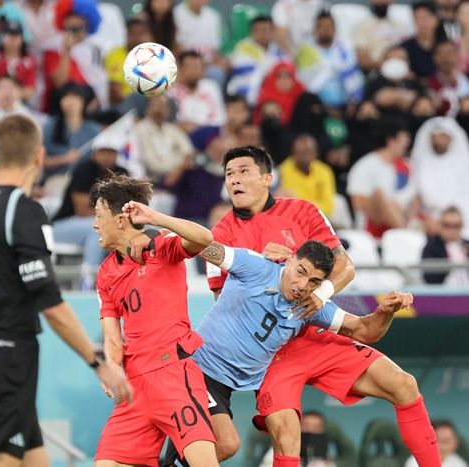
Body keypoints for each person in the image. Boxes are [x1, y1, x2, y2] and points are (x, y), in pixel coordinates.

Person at [131, 145, 439, 467]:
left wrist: (324, 295)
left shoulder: (304, 213)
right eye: (229, 174)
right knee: (283, 431)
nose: (234, 180)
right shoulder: (229, 237)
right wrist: (155, 231)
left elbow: (345, 269)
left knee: (403, 384)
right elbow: (225, 299)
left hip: (308, 325)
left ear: (267, 178)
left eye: (243, 171)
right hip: (268, 351)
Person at [0, 114, 132, 467]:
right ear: (39, 156)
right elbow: (50, 305)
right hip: (8, 359)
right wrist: (98, 363)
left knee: (36, 459)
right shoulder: (23, 212)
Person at [91, 174, 218, 467]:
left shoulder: (162, 246)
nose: (95, 224)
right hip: (134, 387)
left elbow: (204, 239)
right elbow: (112, 337)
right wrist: (112, 365)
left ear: (120, 219)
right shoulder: (106, 273)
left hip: (173, 374)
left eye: (99, 215)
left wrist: (155, 218)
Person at [52, 133, 128, 288]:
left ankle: (128, 277)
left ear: (117, 154)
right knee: (96, 228)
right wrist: (113, 217)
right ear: (95, 153)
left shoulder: (122, 173)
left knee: (132, 228)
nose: (106, 156)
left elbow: (128, 206)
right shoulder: (84, 170)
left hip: (101, 222)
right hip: (64, 225)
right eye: (103, 151)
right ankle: (88, 281)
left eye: (111, 152)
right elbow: (81, 210)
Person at [347, 117, 417, 237]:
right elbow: (358, 204)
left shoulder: (405, 166)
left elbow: (413, 197)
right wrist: (389, 205)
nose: (407, 143)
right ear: (391, 141)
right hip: (371, 222)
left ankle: (405, 230)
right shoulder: (365, 166)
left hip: (400, 216)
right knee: (379, 194)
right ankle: (405, 232)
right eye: (403, 139)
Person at [295, 11, 364, 113]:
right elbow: (306, 84)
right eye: (322, 27)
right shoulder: (306, 52)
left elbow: (355, 81)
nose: (326, 30)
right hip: (317, 106)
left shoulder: (345, 52)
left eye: (329, 26)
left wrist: (354, 101)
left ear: (335, 29)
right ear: (315, 30)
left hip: (345, 106)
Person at [410, 117, 469, 234]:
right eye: (436, 137)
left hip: (462, 217)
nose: (440, 141)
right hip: (429, 219)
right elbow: (414, 197)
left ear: (451, 139)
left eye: (444, 136)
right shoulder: (419, 164)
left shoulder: (463, 163)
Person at [227, 15, 286, 103]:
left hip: (271, 96)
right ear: (252, 32)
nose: (263, 34)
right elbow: (242, 69)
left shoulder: (278, 51)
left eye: (266, 30)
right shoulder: (243, 47)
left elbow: (284, 70)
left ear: (272, 32)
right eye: (259, 30)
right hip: (243, 94)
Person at [278, 134, 336, 217]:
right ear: (293, 154)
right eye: (299, 152)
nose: (303, 157)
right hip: (295, 218)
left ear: (315, 153)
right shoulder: (283, 170)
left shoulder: (324, 171)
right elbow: (289, 205)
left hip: (320, 217)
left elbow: (328, 206)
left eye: (306, 152)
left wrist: (302, 202)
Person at [168, 51, 226, 134]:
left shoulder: (210, 87)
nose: (194, 71)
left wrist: (198, 128)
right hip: (181, 135)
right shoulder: (171, 92)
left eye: (197, 67)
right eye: (190, 67)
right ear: (180, 69)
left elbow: (219, 120)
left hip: (208, 135)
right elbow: (172, 122)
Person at [0, 21, 38, 103]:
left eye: (16, 35)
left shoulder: (29, 61)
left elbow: (30, 89)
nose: (12, 39)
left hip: (17, 101)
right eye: (9, 35)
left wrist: (11, 96)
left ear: (22, 38)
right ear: (2, 37)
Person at [353, 0, 410, 73]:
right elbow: (363, 60)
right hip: (378, 73)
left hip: (405, 73)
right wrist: (389, 67)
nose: (382, 2)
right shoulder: (363, 26)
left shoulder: (401, 26)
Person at [422, 206, 469, 286]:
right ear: (440, 226)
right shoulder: (431, 247)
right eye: (447, 225)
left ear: (461, 226)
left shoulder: (466, 244)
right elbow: (430, 278)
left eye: (456, 225)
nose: (452, 230)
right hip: (444, 294)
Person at [427, 40, 469, 116]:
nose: (445, 57)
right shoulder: (429, 83)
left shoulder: (465, 81)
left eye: (449, 53)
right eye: (441, 53)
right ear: (434, 58)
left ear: (456, 56)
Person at [400, 1, 441, 78]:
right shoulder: (405, 47)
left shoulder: (446, 45)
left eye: (425, 17)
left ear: (436, 18)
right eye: (418, 18)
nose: (422, 22)